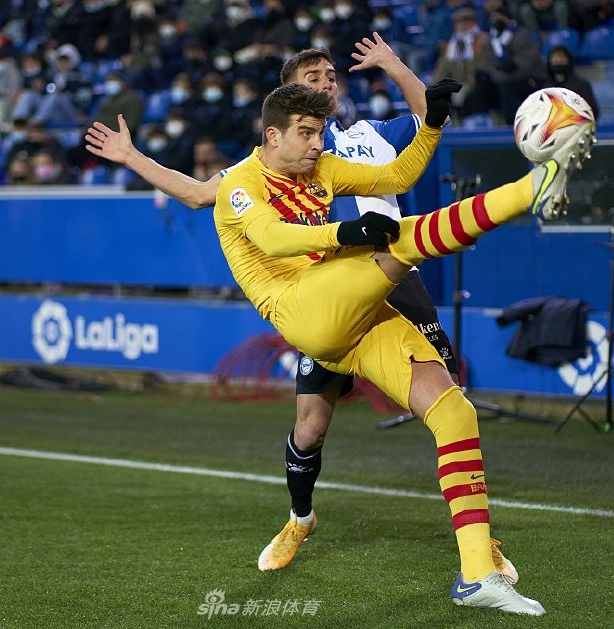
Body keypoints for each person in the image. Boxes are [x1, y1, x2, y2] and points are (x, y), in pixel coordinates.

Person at [85, 42, 480, 573]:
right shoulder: (270, 161)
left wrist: (394, 66)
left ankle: (477, 537)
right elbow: (201, 196)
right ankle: (300, 517)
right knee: (311, 427)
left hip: (396, 281)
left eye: (330, 75)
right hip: (324, 295)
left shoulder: (367, 135)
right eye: (312, 78)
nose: (326, 83)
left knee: (448, 401)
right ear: (286, 100)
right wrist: (132, 157)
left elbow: (428, 120)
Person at [208, 80, 586, 614]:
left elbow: (398, 176)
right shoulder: (239, 184)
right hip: (304, 311)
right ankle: (530, 190)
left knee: (454, 411)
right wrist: (344, 233)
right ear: (272, 136)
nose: (318, 143)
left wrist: (431, 125)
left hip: (356, 311)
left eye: (320, 131)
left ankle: (477, 576)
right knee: (399, 239)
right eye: (307, 133)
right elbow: (273, 237)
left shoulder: (321, 167)